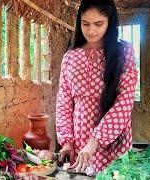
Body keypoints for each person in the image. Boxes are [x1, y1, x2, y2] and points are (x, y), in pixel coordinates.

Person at [55, 0, 138, 175]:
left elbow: (124, 102)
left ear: (110, 22)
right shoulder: (71, 57)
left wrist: (96, 140)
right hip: (80, 143)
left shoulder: (124, 53)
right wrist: (67, 142)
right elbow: (64, 102)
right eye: (85, 24)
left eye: (98, 24)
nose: (91, 31)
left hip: (113, 142)